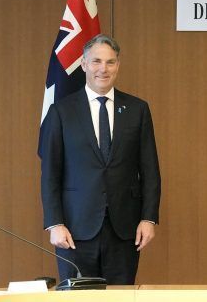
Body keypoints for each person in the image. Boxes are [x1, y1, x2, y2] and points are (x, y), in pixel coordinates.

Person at [40, 34, 161, 285]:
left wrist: (148, 218)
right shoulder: (62, 111)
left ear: (118, 65)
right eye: (96, 61)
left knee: (120, 297)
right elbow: (50, 172)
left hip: (124, 231)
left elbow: (150, 170)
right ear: (84, 64)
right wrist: (54, 223)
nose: (102, 69)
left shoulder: (137, 109)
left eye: (110, 62)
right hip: (73, 232)